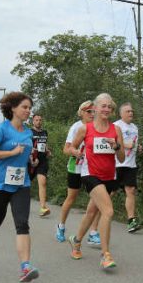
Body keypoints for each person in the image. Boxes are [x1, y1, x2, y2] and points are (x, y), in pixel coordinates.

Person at [0, 92, 39, 282]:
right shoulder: (1, 129)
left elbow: (25, 152)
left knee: (22, 223)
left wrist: (30, 160)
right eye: (24, 107)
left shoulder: (28, 132)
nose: (28, 111)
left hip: (21, 183)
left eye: (29, 108)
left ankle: (25, 267)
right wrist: (11, 152)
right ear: (13, 108)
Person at [68, 93, 126, 270]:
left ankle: (76, 241)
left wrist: (115, 146)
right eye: (103, 106)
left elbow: (122, 158)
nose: (107, 109)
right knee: (107, 211)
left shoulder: (115, 130)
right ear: (95, 107)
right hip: (90, 174)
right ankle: (105, 254)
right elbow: (69, 147)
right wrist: (76, 152)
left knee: (91, 212)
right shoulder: (85, 129)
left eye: (110, 106)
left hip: (109, 176)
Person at [56, 101, 101, 245]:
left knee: (98, 200)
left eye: (94, 111)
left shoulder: (98, 126)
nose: (92, 114)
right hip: (76, 166)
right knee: (71, 198)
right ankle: (61, 226)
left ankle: (93, 232)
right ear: (81, 112)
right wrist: (74, 151)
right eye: (89, 111)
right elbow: (66, 149)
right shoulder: (76, 127)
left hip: (93, 168)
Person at [114, 102, 143, 233]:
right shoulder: (116, 125)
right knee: (111, 192)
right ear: (121, 114)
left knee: (130, 190)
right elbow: (111, 142)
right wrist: (126, 145)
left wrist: (139, 147)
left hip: (130, 164)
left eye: (132, 111)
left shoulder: (135, 127)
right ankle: (97, 212)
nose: (131, 113)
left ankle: (131, 220)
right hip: (116, 164)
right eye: (128, 111)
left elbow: (134, 143)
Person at [29, 113, 51, 217]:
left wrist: (47, 151)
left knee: (42, 182)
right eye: (36, 120)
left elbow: (44, 144)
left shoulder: (44, 132)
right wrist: (32, 159)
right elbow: (27, 146)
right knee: (23, 185)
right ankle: (13, 199)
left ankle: (43, 207)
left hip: (42, 161)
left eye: (40, 120)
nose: (38, 122)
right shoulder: (29, 132)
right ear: (33, 121)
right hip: (30, 161)